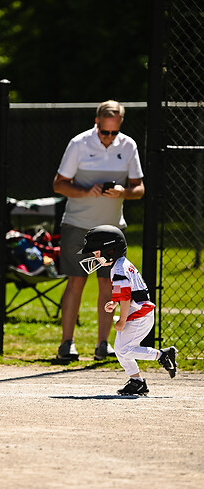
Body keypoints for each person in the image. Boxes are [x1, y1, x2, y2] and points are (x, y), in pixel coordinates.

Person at [53, 100, 145, 361]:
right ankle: (66, 344)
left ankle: (103, 345)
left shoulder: (128, 146)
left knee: (109, 285)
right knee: (76, 282)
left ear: (120, 127)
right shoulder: (79, 143)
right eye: (105, 132)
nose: (109, 137)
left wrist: (123, 192)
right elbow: (59, 184)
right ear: (96, 123)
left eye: (114, 133)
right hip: (78, 226)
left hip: (113, 231)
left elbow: (139, 188)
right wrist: (85, 191)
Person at [78, 225, 177, 395]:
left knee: (124, 349)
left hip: (140, 315)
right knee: (121, 349)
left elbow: (126, 297)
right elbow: (126, 293)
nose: (94, 258)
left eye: (96, 253)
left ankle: (162, 355)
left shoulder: (118, 268)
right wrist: (114, 302)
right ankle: (137, 382)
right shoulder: (121, 265)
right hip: (138, 313)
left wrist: (122, 320)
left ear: (109, 250)